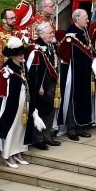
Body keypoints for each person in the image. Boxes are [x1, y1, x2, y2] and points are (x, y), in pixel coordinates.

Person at [58, 8, 96, 141]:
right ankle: (71, 128)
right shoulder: (71, 34)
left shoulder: (84, 30)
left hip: (84, 72)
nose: (88, 19)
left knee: (83, 99)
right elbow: (65, 55)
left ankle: (81, 125)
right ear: (77, 20)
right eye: (85, 17)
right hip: (74, 73)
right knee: (73, 100)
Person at [0, 36, 31, 168]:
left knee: (21, 128)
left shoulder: (22, 66)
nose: (22, 56)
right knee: (12, 128)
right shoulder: (6, 70)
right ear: (12, 56)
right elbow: (3, 93)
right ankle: (8, 155)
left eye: (22, 54)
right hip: (12, 104)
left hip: (23, 102)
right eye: (19, 54)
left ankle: (18, 152)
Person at [26, 22, 62, 150]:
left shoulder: (51, 46)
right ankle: (38, 139)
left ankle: (47, 136)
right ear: (41, 34)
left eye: (53, 32)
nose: (53, 34)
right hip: (40, 86)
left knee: (50, 110)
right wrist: (39, 86)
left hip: (51, 84)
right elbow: (32, 71)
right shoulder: (35, 48)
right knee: (40, 111)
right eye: (50, 33)